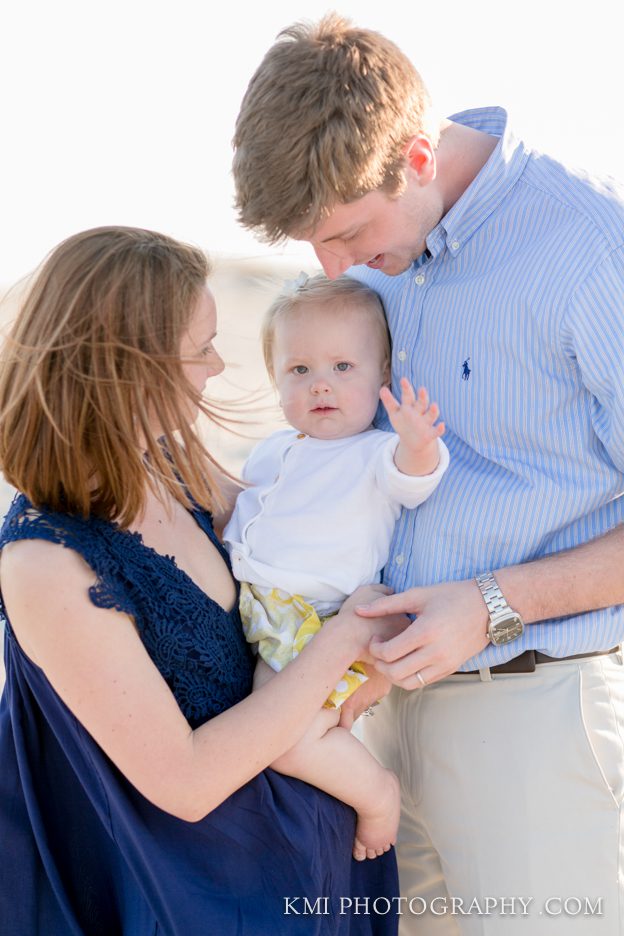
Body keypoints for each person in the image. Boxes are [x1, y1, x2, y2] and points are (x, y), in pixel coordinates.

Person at [231, 14, 624, 935]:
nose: (333, 268)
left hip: (531, 713)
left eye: (348, 233)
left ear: (416, 155)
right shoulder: (377, 264)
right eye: (312, 244)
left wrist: (490, 602)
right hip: (372, 715)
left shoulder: (592, 250)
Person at [0, 226, 403, 936]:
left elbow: (302, 532)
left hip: (312, 868)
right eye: (200, 348)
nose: (217, 367)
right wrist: (341, 644)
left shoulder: (169, 464)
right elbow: (183, 783)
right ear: (127, 366)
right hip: (200, 903)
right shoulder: (44, 563)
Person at [223, 273, 449, 861]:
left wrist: (419, 443)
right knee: (263, 726)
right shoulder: (275, 447)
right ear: (276, 381)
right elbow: (247, 509)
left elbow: (414, 482)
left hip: (317, 624)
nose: (321, 384)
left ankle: (377, 794)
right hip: (262, 611)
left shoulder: (374, 453)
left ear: (381, 377)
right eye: (300, 370)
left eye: (343, 368)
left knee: (283, 739)